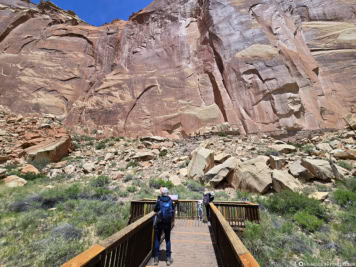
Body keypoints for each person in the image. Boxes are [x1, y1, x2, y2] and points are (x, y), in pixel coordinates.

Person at [153, 187, 174, 266]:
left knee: (157, 239)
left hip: (159, 222)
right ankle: (168, 258)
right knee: (167, 239)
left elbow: (155, 210)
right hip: (167, 223)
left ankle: (156, 258)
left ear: (162, 193)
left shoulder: (159, 200)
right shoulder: (170, 200)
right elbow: (172, 210)